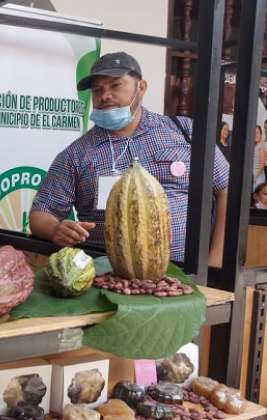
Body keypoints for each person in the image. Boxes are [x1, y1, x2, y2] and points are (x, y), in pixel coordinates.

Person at [29, 52, 229, 266]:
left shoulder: (185, 132)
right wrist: (55, 229)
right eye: (97, 90)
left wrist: (214, 263)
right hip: (110, 278)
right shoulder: (76, 155)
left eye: (115, 86)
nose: (105, 95)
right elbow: (41, 214)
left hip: (188, 275)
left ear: (141, 88)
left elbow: (226, 188)